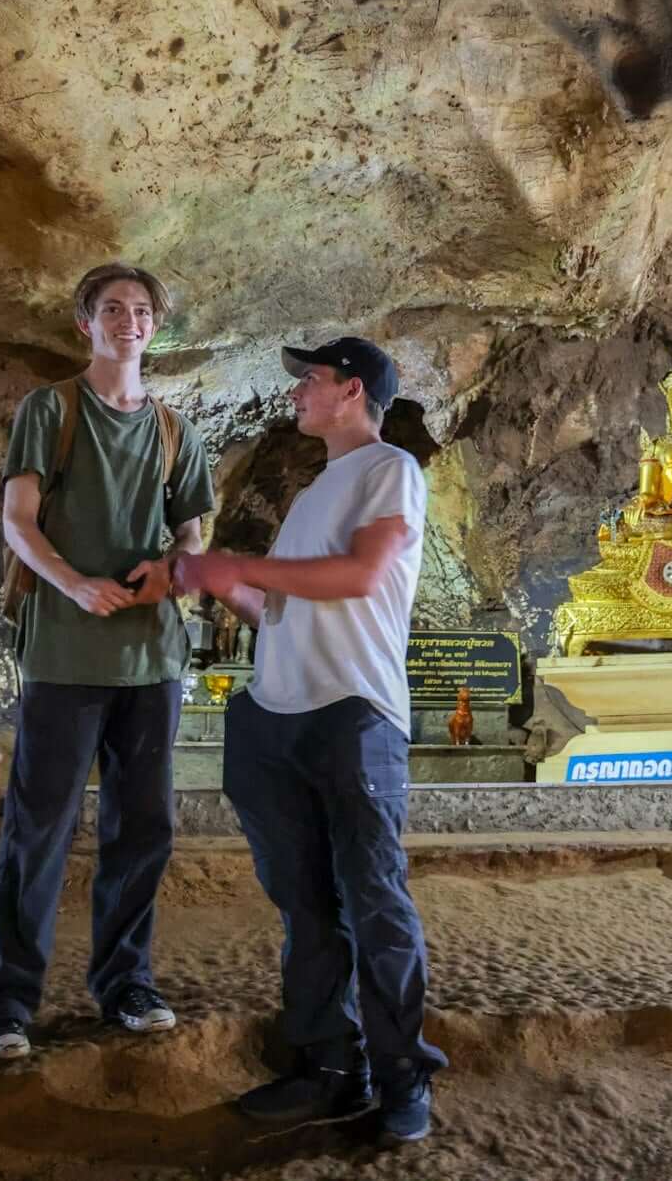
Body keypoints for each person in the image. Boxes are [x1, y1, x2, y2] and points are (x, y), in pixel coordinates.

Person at [173, 335, 445, 1144]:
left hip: (351, 712)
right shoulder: (314, 492)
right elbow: (283, 613)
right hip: (277, 714)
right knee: (307, 909)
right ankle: (329, 1066)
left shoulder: (390, 470)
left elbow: (361, 576)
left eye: (311, 379)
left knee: (373, 902)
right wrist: (221, 582)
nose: (296, 392)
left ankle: (401, 1079)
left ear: (353, 390)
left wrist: (237, 565)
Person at [0, 263, 215, 1060]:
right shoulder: (52, 410)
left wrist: (168, 574)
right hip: (65, 654)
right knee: (38, 829)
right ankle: (5, 1003)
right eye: (111, 309)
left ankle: (126, 982)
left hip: (151, 657)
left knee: (142, 827)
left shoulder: (176, 430)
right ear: (86, 323)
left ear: (155, 326)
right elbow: (18, 519)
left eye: (140, 310)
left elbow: (192, 534)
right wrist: (74, 584)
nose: (127, 321)